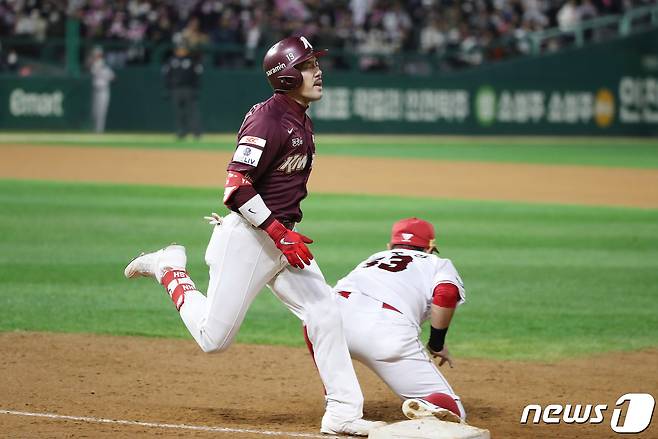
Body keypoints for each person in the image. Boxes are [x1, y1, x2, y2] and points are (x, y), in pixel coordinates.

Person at [124, 36, 385, 436]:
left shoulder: (298, 115)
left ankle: (343, 414)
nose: (318, 71)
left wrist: (283, 235)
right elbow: (236, 186)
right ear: (285, 75)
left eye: (316, 63)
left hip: (281, 240)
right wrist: (278, 231)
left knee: (325, 312)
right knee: (214, 339)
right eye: (308, 64)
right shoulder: (269, 118)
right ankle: (170, 268)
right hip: (250, 238)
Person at [330, 217, 468, 424]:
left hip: (329, 321)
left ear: (390, 246)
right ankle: (429, 408)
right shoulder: (437, 263)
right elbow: (446, 294)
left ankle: (339, 407)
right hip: (386, 332)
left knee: (329, 348)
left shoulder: (375, 258)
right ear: (430, 248)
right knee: (453, 414)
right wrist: (436, 343)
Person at [163, 44, 203, 139]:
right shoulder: (171, 61)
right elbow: (167, 75)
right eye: (179, 49)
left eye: (183, 49)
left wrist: (196, 88)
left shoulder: (192, 61)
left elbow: (197, 76)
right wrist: (167, 88)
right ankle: (181, 132)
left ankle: (196, 132)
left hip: (188, 88)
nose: (181, 51)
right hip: (176, 89)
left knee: (192, 111)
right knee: (179, 112)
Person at [89, 46, 115, 133]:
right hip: (95, 90)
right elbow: (92, 69)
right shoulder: (94, 64)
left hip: (103, 90)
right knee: (94, 112)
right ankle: (94, 130)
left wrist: (106, 74)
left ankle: (99, 132)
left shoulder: (105, 64)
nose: (95, 55)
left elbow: (113, 77)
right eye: (95, 54)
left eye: (97, 54)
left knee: (101, 113)